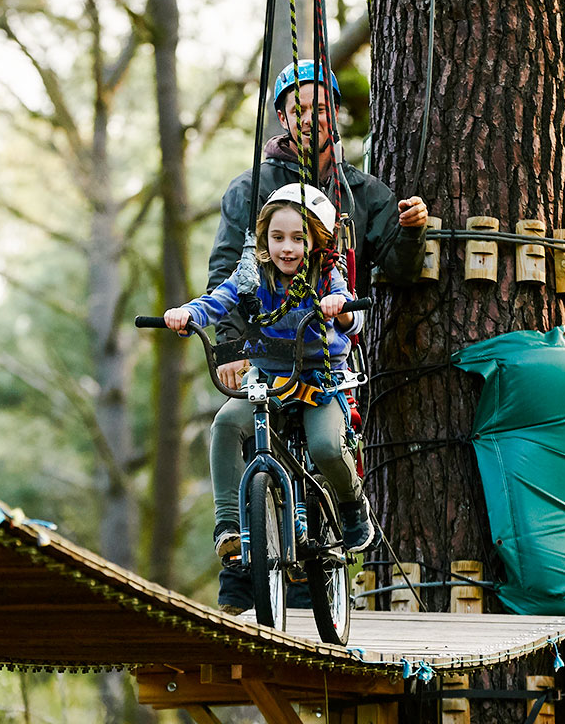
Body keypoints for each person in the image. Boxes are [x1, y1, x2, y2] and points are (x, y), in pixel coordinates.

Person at [165, 186, 374, 612]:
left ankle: (351, 504)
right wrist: (188, 314)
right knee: (226, 423)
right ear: (264, 240)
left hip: (320, 381)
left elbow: (352, 316)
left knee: (325, 446)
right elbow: (218, 301)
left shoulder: (326, 273)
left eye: (298, 238)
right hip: (271, 382)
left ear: (314, 240)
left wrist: (341, 306)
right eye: (277, 237)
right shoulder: (252, 273)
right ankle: (230, 525)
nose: (287, 247)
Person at [207, 60, 431, 392]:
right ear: (283, 119)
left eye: (322, 109)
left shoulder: (362, 193)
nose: (310, 118)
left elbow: (402, 270)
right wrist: (229, 346)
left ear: (336, 113)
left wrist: (412, 229)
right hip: (264, 359)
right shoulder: (250, 190)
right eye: (299, 111)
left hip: (335, 361)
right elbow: (228, 268)